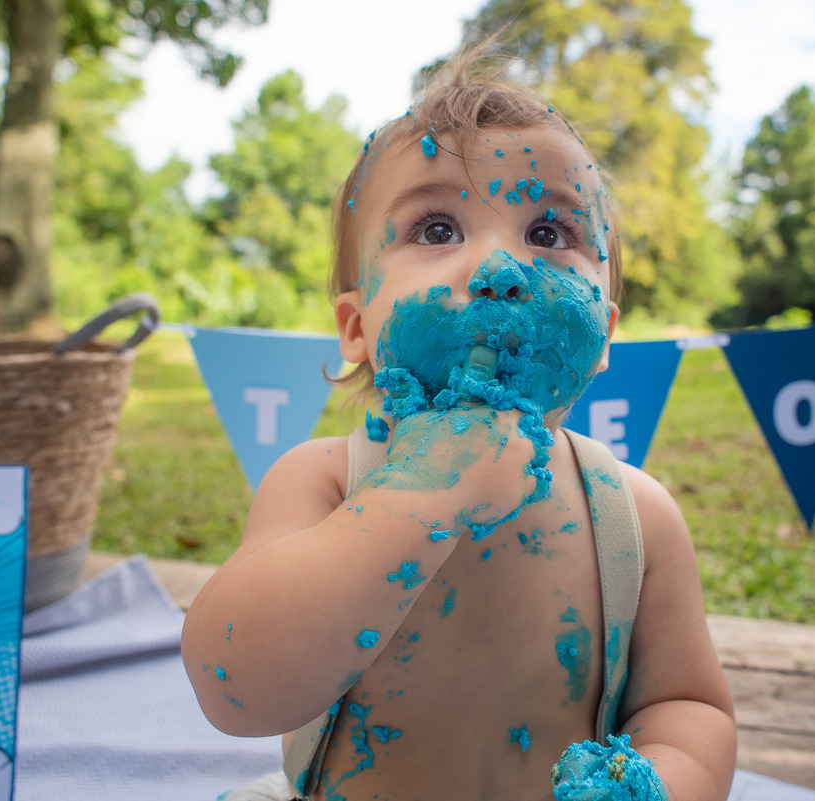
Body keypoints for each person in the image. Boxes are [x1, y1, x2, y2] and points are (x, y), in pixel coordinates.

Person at [181, 42, 737, 801]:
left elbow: (688, 706)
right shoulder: (325, 482)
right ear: (356, 325)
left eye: (549, 233)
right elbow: (236, 687)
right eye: (437, 228)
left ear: (604, 336)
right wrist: (419, 494)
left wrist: (658, 783)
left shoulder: (635, 518)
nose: (500, 269)